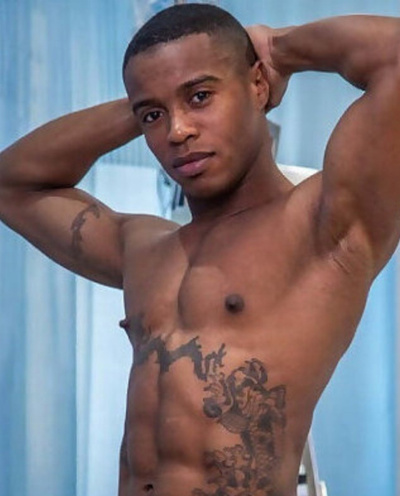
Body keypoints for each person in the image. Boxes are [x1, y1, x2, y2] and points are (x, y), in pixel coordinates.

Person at [0, 3, 399, 495]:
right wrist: (148, 101)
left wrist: (279, 49)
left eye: (201, 96)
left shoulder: (322, 225)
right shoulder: (144, 249)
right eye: (155, 116)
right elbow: (12, 183)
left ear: (258, 85)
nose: (177, 131)